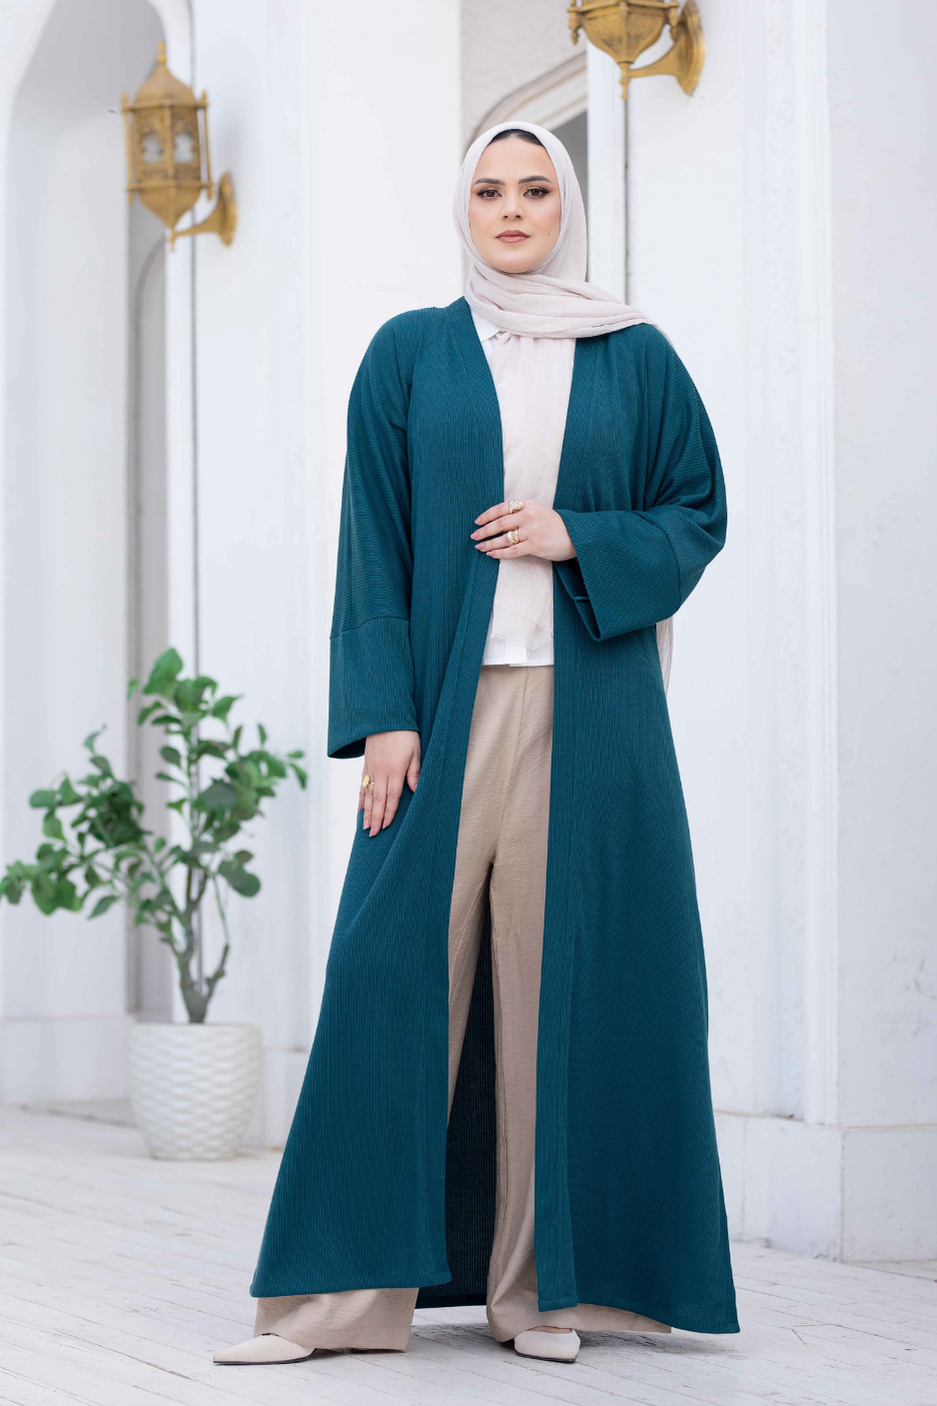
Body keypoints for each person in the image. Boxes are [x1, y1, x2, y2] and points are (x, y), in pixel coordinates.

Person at [214, 119, 738, 1370]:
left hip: (592, 715)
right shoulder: (410, 353)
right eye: (491, 189)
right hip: (443, 714)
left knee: (563, 987)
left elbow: (697, 511)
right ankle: (334, 1303)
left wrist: (577, 535)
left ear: (566, 206)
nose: (511, 209)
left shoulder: (633, 353)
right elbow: (373, 537)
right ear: (463, 206)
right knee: (388, 973)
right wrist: (384, 714)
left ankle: (541, 1290)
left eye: (535, 189)